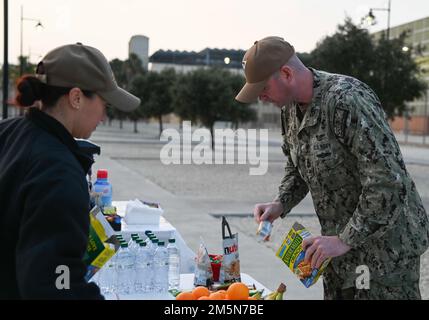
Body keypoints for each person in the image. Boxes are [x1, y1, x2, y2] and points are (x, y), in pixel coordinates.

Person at [236, 36, 429, 299]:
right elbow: (297, 166)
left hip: (385, 255)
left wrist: (344, 239)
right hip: (337, 252)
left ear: (286, 73)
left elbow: (387, 181)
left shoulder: (347, 100)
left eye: (263, 88)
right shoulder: (290, 110)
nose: (260, 96)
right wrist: (280, 203)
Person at [0, 43, 140, 299]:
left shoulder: (8, 131)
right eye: (104, 104)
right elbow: (55, 285)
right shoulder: (58, 172)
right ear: (76, 97)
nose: (103, 117)